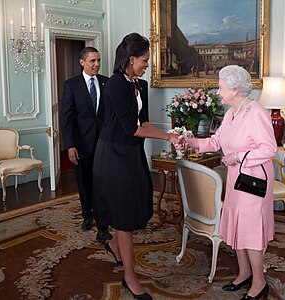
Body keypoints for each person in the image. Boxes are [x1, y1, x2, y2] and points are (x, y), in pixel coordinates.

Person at [93, 33, 180, 300]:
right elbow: (131, 128)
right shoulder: (115, 85)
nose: (147, 65)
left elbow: (144, 122)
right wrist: (167, 137)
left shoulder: (139, 85)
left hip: (131, 154)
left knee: (135, 205)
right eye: (144, 60)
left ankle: (112, 243)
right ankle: (130, 277)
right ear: (131, 59)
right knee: (125, 218)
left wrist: (172, 132)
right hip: (113, 155)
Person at [180, 65, 277, 300]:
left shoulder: (256, 112)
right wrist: (192, 143)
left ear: (234, 89)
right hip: (236, 179)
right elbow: (216, 141)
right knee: (238, 226)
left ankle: (259, 282)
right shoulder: (231, 113)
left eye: (221, 87)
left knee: (251, 230)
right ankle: (244, 273)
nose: (218, 91)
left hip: (254, 181)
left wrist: (237, 157)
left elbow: (269, 149)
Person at [60, 46, 112, 243]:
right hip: (81, 145)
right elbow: (67, 118)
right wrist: (70, 145)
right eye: (93, 61)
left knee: (103, 183)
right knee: (84, 182)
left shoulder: (107, 83)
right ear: (82, 62)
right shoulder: (71, 85)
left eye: (99, 60)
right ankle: (87, 215)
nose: (97, 64)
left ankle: (103, 224)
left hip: (104, 144)